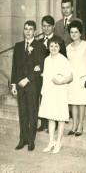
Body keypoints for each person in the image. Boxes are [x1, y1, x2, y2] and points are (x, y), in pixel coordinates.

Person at [11, 20, 46, 151]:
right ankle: (23, 139)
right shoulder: (18, 46)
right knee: (23, 112)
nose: (27, 31)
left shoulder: (40, 46)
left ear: (35, 31)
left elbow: (40, 68)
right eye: (25, 28)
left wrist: (27, 79)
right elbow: (15, 67)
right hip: (19, 84)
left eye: (30, 29)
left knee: (32, 112)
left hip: (32, 85)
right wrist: (13, 84)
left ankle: (31, 140)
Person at [38, 36, 73, 154]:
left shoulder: (63, 60)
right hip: (49, 92)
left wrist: (61, 82)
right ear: (48, 47)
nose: (53, 48)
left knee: (60, 118)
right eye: (51, 46)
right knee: (51, 117)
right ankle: (51, 141)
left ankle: (58, 142)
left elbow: (70, 77)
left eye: (56, 46)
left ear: (60, 47)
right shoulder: (46, 60)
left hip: (60, 92)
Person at [36, 15, 67, 132]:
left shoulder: (59, 40)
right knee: (43, 98)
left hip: (54, 76)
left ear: (53, 26)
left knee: (55, 99)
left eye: (49, 26)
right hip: (41, 76)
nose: (46, 28)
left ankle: (55, 124)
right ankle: (44, 123)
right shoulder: (38, 42)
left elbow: (64, 59)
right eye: (44, 26)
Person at [66, 20, 86, 136]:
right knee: (73, 103)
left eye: (76, 32)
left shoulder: (85, 45)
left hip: (82, 77)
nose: (74, 34)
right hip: (72, 78)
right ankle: (74, 125)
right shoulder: (68, 48)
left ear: (80, 33)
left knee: (81, 103)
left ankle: (80, 125)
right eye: (72, 32)